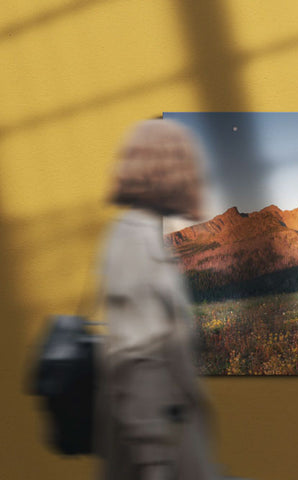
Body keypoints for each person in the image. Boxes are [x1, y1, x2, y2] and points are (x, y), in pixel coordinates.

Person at [95, 119, 216, 480]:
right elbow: (136, 354)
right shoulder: (135, 239)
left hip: (163, 428)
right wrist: (153, 455)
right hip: (159, 435)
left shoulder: (139, 233)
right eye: (186, 163)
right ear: (168, 169)